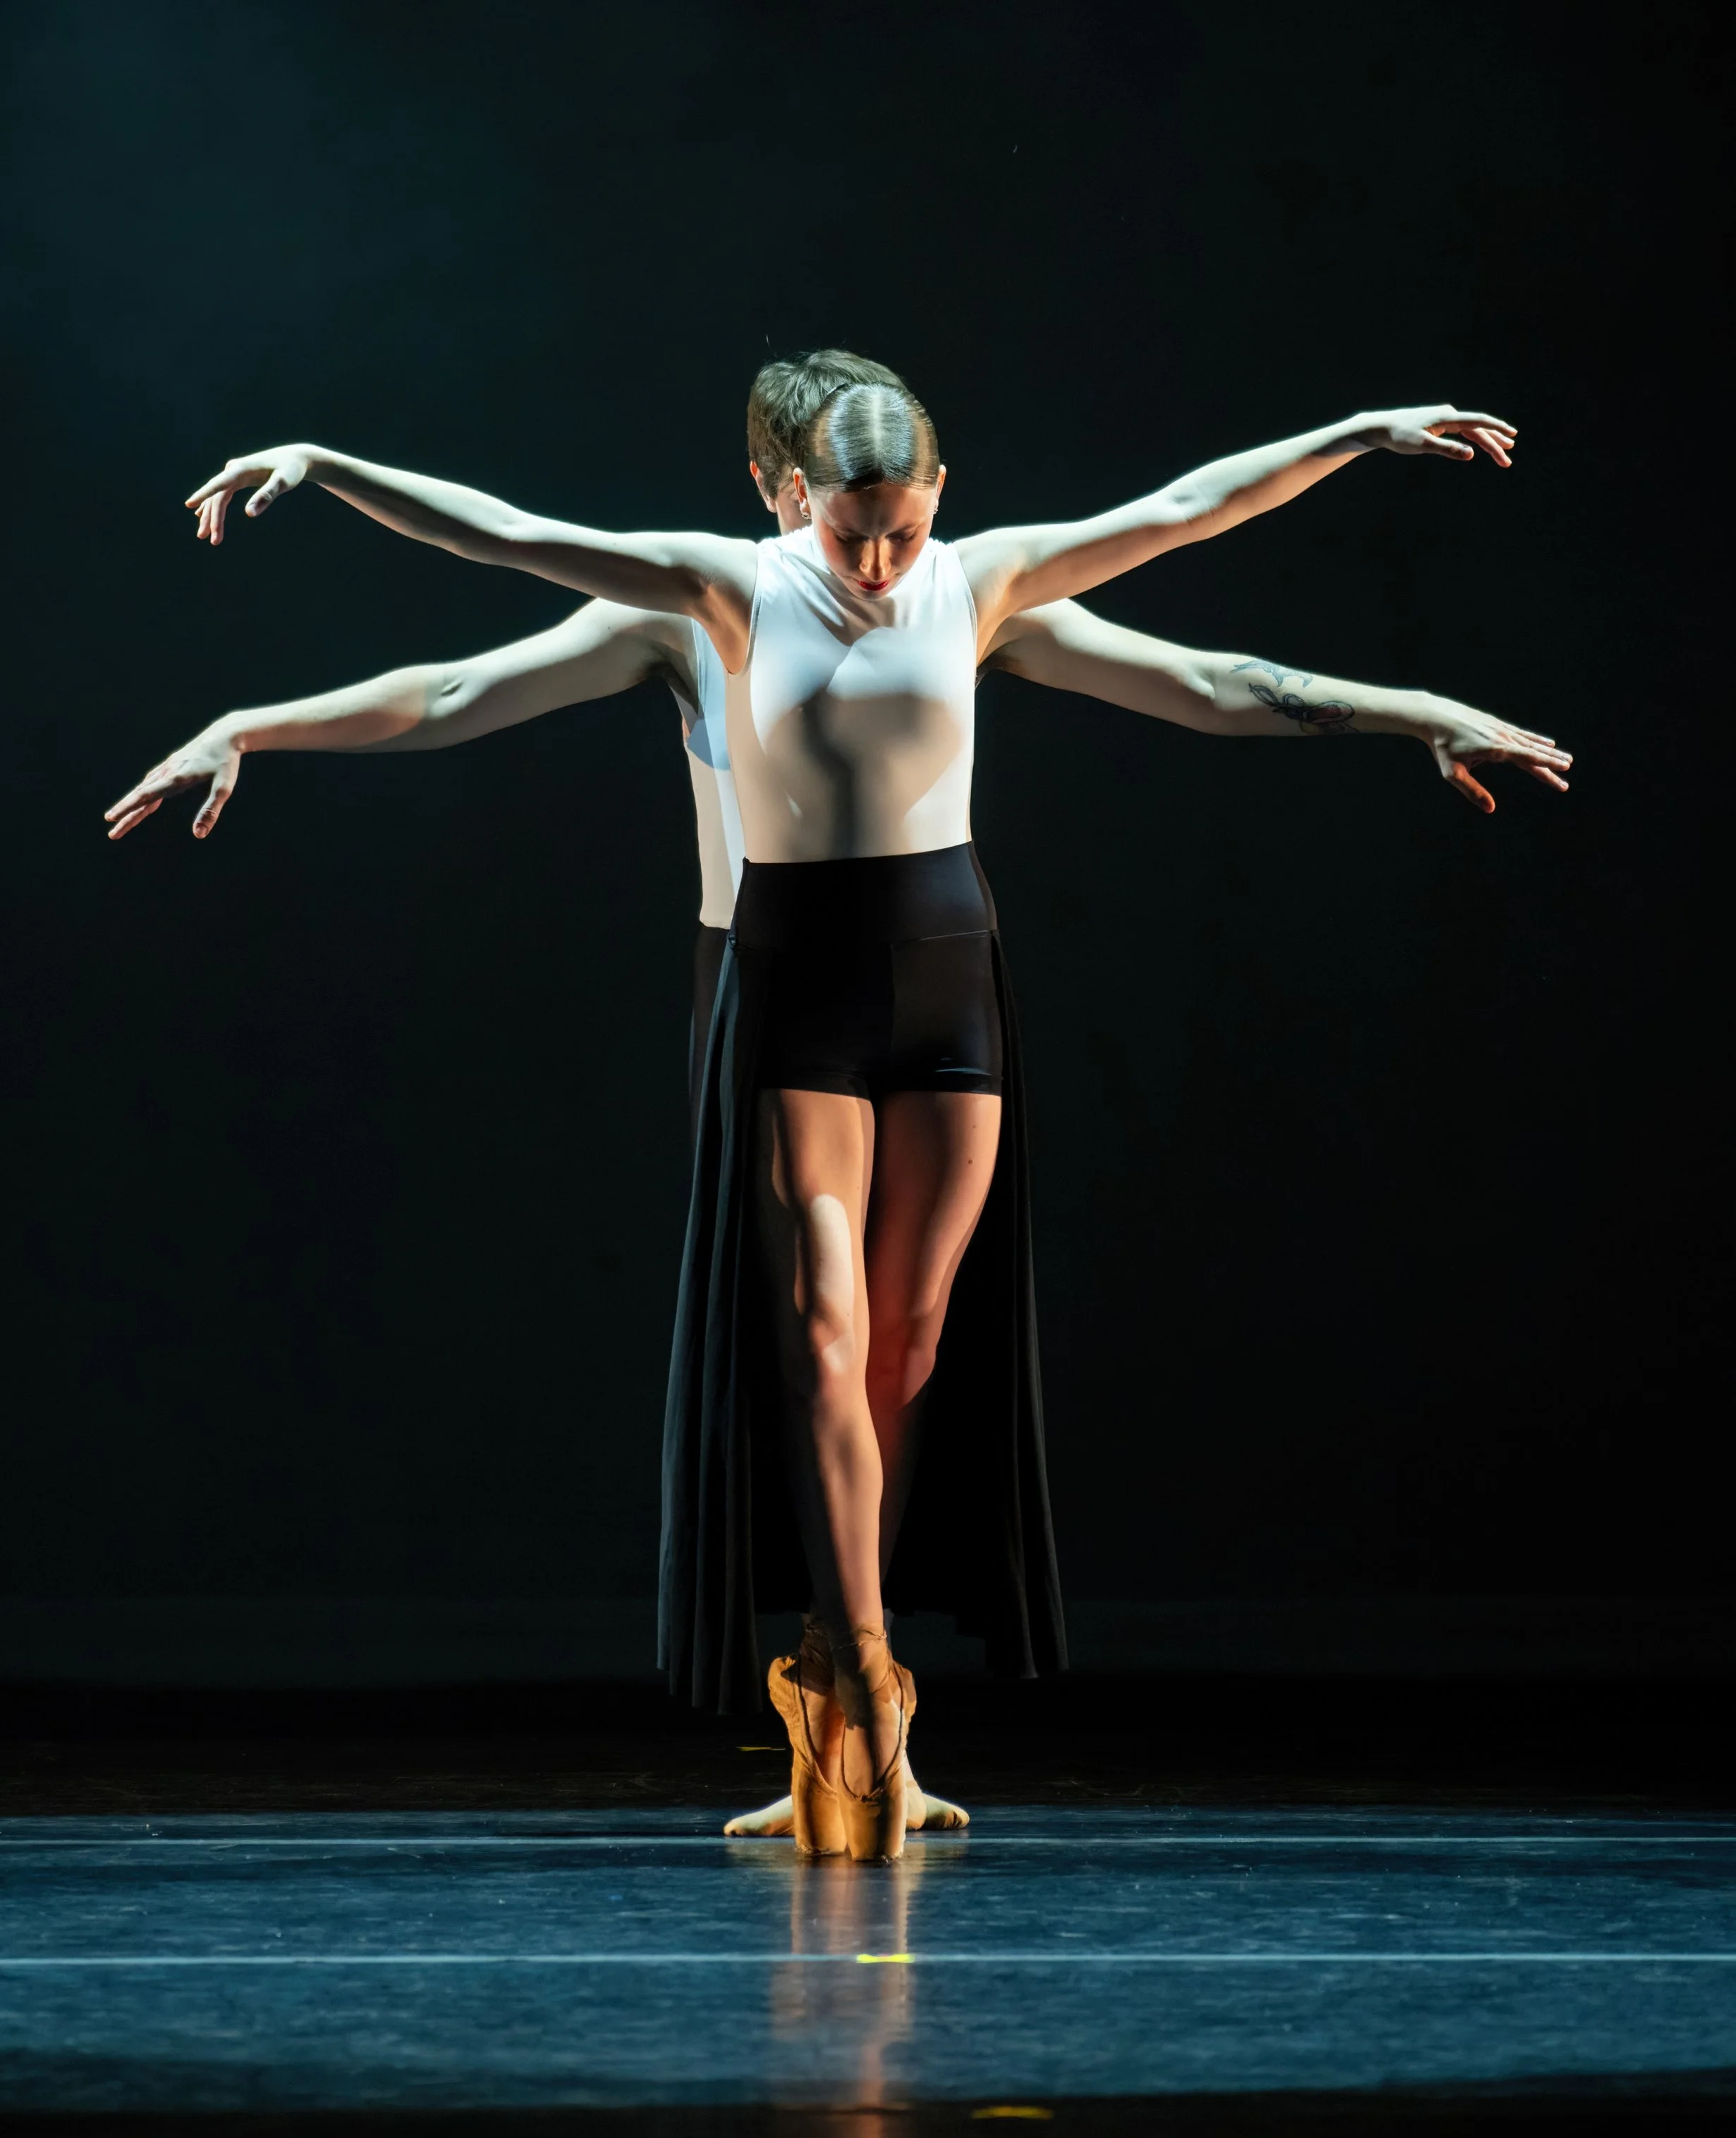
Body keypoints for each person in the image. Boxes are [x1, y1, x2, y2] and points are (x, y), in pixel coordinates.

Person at [121, 361, 1562, 1859]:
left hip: (945, 984)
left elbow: (1198, 584)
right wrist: (287, 606)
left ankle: (830, 1670)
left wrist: (1403, 649)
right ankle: (868, 1688)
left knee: (908, 1340)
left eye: (900, 533)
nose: (875, 566)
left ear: (936, 502)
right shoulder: (720, 593)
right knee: (817, 1327)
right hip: (786, 981)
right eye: (848, 534)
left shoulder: (979, 585)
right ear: (792, 497)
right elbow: (493, 570)